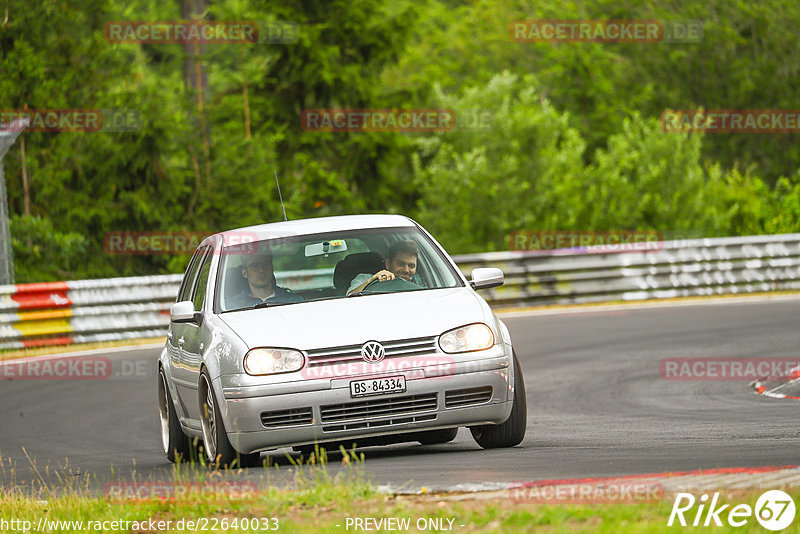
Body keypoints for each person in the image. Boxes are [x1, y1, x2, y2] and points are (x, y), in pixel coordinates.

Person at [227, 253, 303, 309]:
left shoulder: (293, 300)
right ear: (245, 273)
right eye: (255, 266)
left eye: (265, 264)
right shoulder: (233, 305)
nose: (261, 270)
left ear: (272, 269)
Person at [347, 240, 420, 295]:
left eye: (411, 266)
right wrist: (372, 281)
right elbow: (350, 298)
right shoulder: (364, 278)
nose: (406, 270)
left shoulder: (419, 286)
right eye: (400, 264)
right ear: (388, 263)